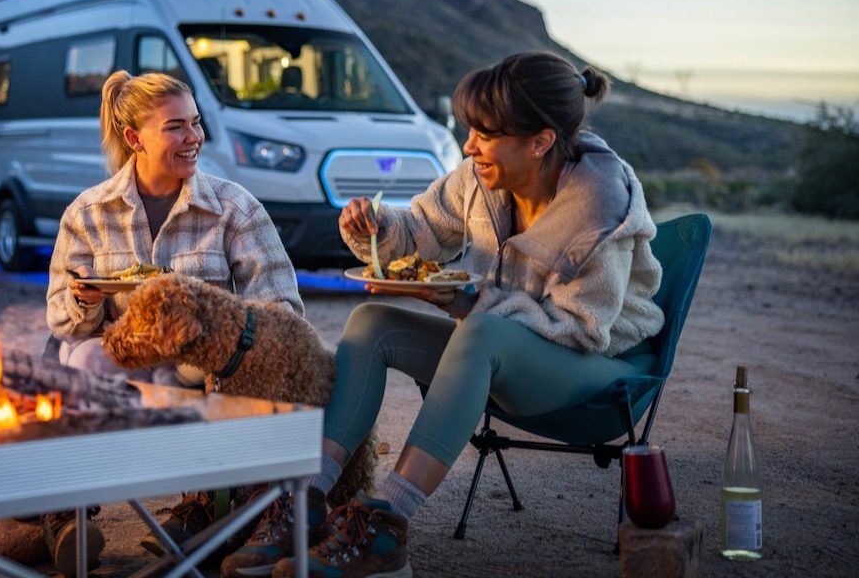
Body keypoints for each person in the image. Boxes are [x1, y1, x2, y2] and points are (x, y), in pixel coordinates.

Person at [222, 51, 665, 578]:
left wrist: (465, 303)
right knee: (371, 322)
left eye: (486, 133)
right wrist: (375, 227)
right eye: (469, 129)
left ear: (541, 141)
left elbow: (581, 326)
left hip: (596, 369)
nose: (468, 146)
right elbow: (418, 231)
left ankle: (385, 529)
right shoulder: (478, 179)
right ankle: (305, 501)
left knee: (479, 334)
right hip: (495, 349)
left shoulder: (600, 205)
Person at [41, 70, 303, 575]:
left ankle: (203, 507)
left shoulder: (234, 208)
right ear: (135, 139)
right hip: (125, 368)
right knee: (79, 355)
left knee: (188, 371)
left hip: (199, 369)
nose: (194, 138)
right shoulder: (88, 213)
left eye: (197, 124)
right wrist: (86, 299)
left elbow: (283, 312)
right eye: (177, 127)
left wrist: (212, 325)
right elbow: (61, 321)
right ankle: (71, 508)